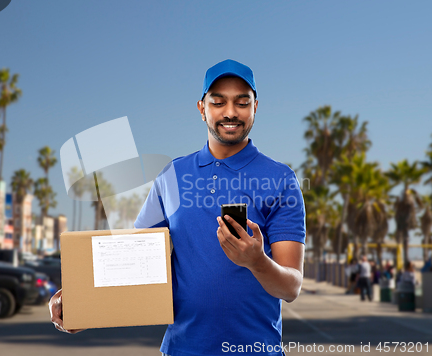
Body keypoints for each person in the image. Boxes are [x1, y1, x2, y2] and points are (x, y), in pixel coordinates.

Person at [49, 59, 306, 356]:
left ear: (255, 107)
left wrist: (256, 261)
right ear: (202, 108)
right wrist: (84, 303)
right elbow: (135, 264)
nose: (231, 112)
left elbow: (290, 288)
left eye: (242, 102)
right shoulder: (172, 175)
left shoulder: (280, 179)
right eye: (218, 102)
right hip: (181, 350)